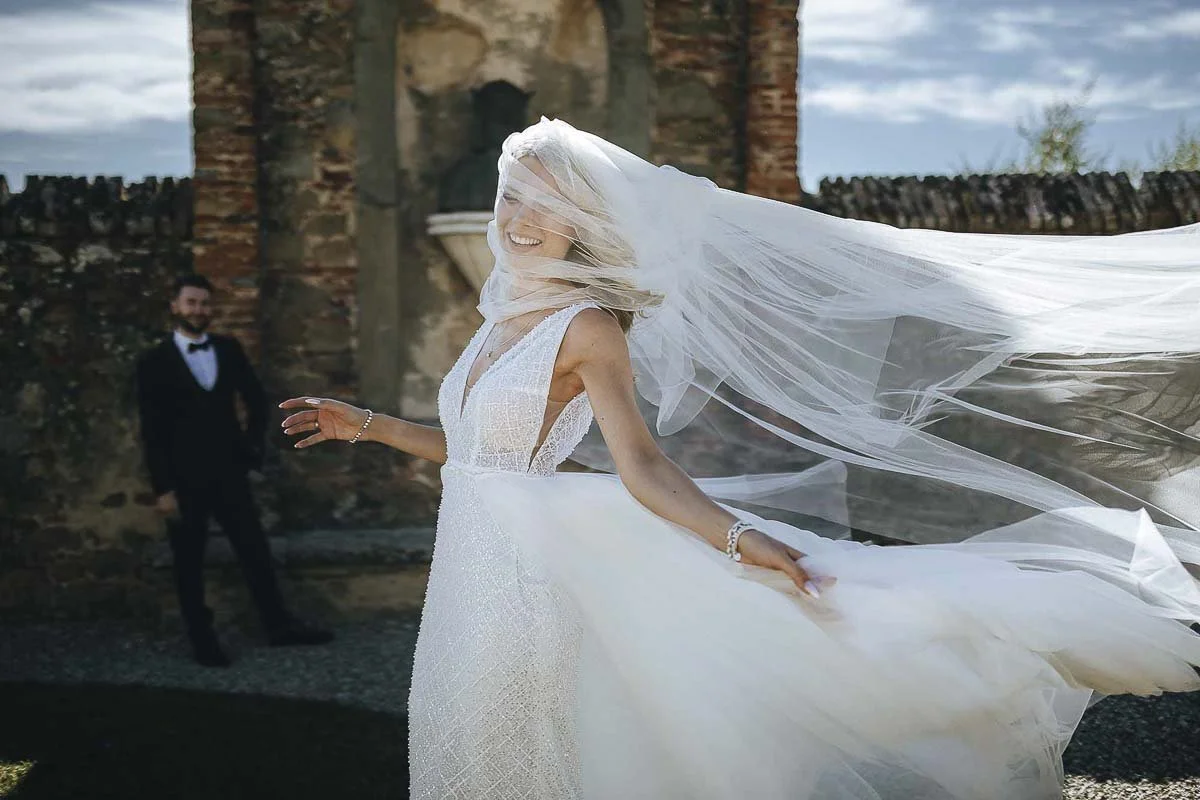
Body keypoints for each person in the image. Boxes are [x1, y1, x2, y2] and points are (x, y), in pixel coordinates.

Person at [281, 119, 1200, 798]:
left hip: (529, 576)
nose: (522, 218)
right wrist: (365, 424)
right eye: (514, 195)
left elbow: (641, 465)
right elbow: (484, 457)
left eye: (546, 203)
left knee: (525, 750)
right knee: (461, 739)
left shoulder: (586, 325)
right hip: (470, 562)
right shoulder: (496, 319)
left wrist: (733, 540)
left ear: (578, 224)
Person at [138, 274, 332, 667]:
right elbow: (151, 430)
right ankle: (201, 639)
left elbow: (257, 401)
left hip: (230, 473)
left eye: (204, 303)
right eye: (191, 302)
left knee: (255, 551)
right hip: (182, 479)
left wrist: (251, 452)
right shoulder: (154, 361)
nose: (198, 310)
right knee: (188, 561)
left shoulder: (228, 349)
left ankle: (279, 626)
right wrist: (163, 489)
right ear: (174, 306)